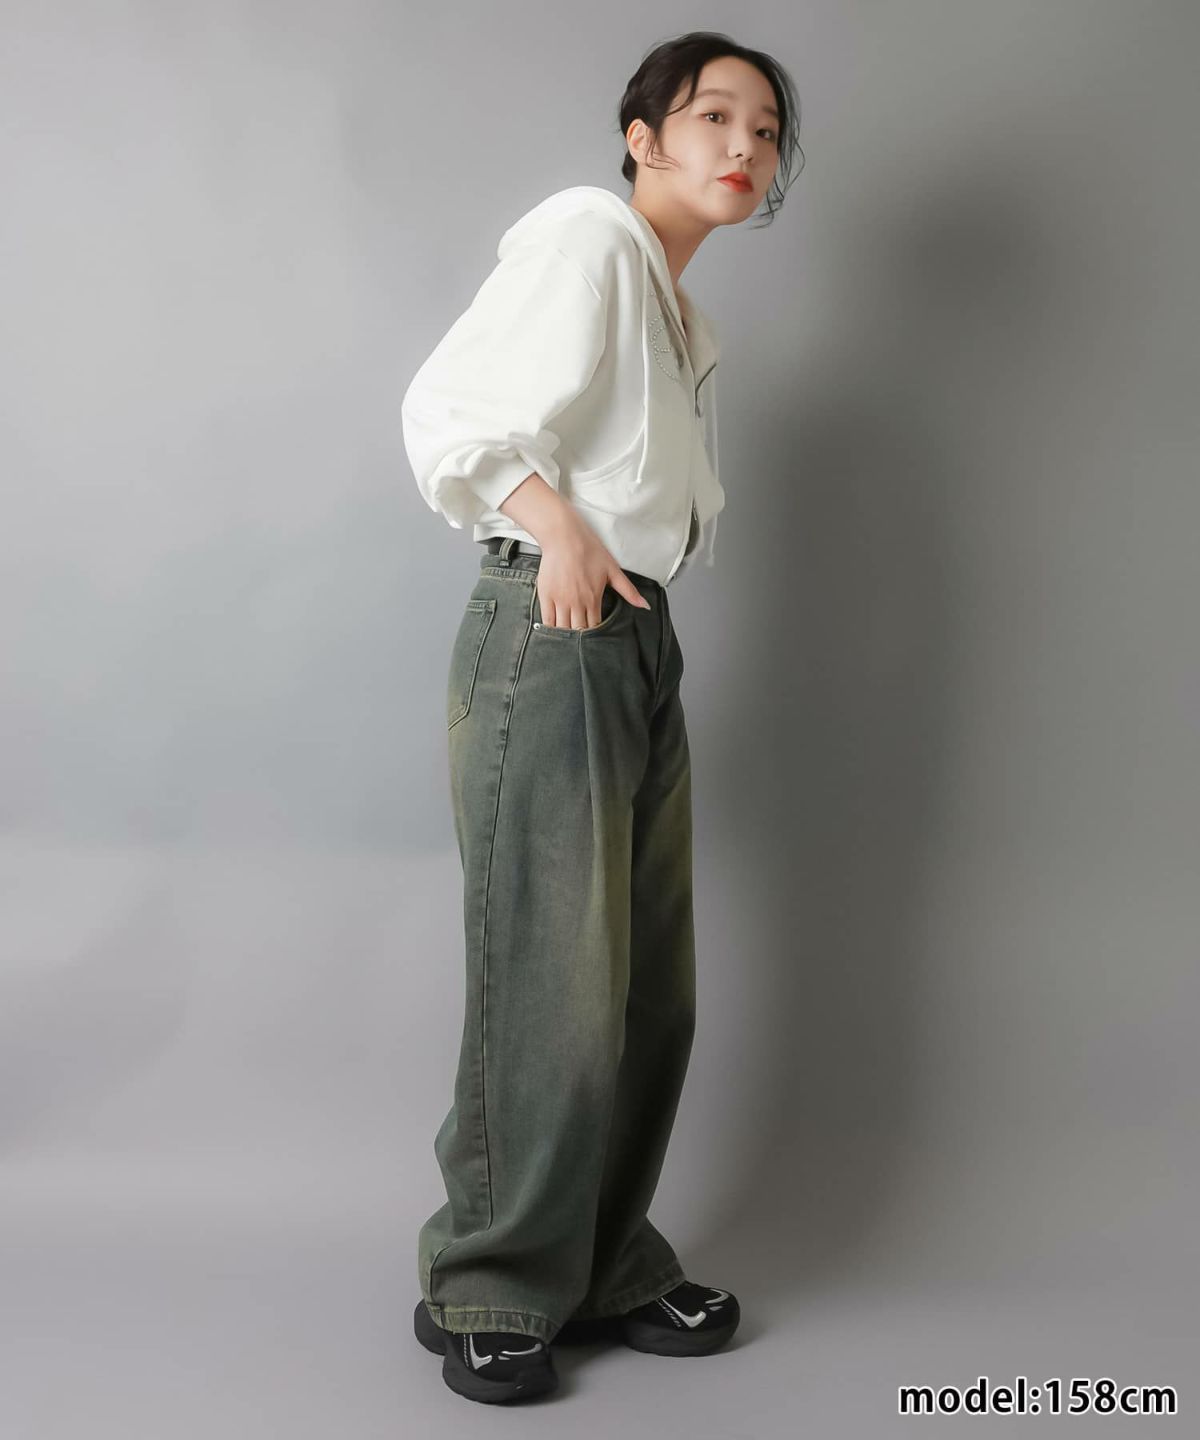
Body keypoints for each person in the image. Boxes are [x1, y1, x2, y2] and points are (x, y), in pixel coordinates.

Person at [400, 30, 802, 1405]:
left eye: (765, 130)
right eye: (714, 116)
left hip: (636, 636)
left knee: (644, 989)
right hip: (552, 624)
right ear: (643, 137)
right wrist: (558, 530)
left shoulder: (679, 314)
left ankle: (605, 1260)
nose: (743, 146)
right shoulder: (588, 235)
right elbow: (448, 410)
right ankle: (494, 1281)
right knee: (551, 979)